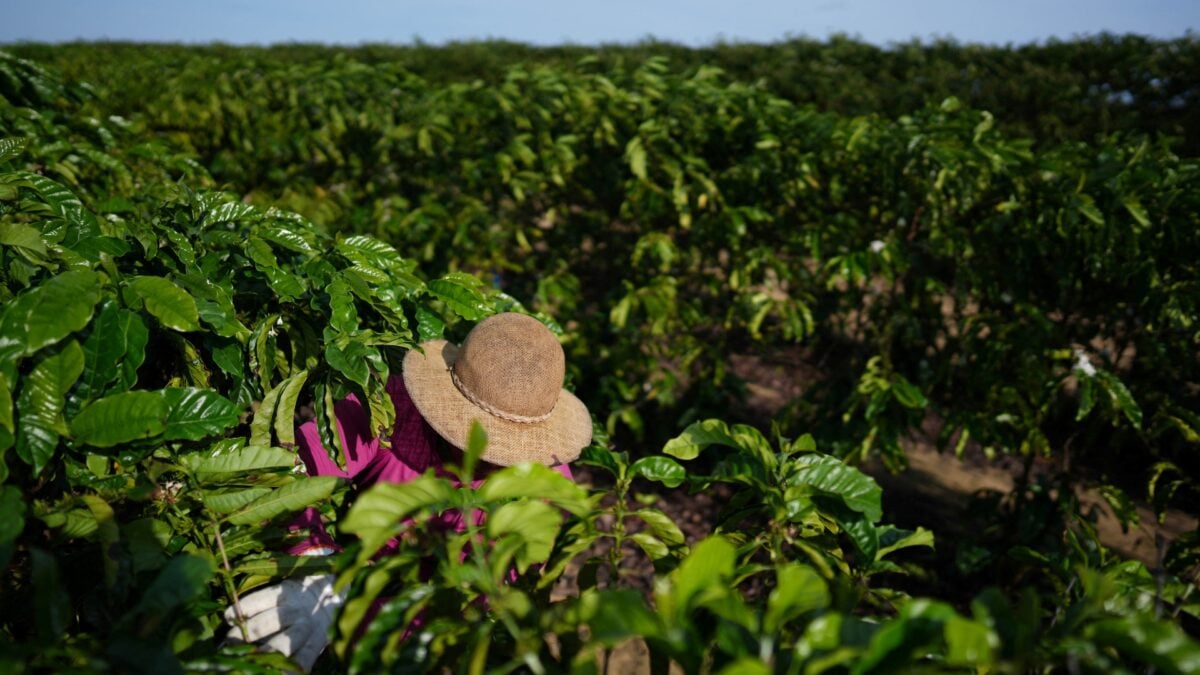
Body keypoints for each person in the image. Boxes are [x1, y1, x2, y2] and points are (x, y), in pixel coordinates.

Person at [223, 312, 593, 671]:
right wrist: (316, 565)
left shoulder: (547, 493)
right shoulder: (392, 410)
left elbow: (488, 600)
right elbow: (295, 469)